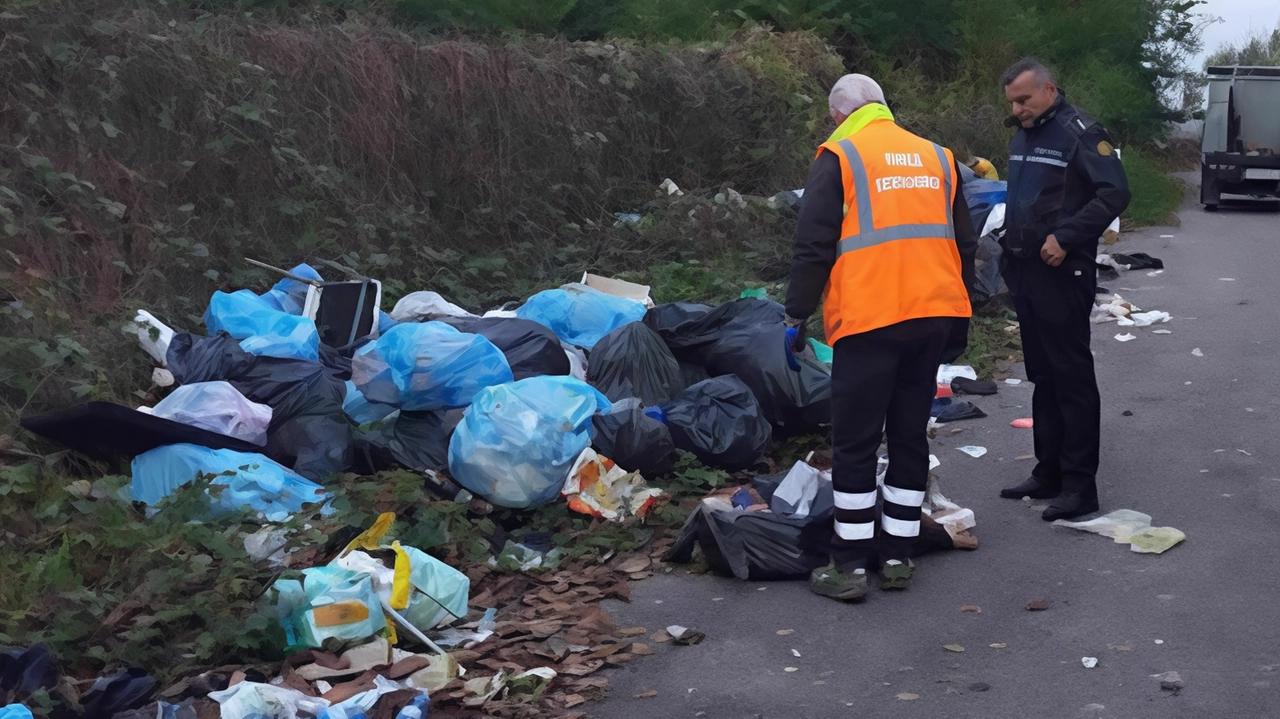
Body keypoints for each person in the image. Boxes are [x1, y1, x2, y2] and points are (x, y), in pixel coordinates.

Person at [783, 74, 976, 602]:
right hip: (932, 317)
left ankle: (847, 565)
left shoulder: (840, 155)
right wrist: (963, 314)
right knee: (909, 434)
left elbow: (813, 245)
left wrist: (795, 315)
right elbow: (965, 241)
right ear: (884, 107)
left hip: (870, 321)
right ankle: (897, 555)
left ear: (838, 115)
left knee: (856, 441)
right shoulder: (937, 157)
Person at [995, 59, 1130, 521]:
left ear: (1049, 89)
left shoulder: (1081, 133)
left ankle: (1079, 486)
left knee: (1071, 379)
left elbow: (1114, 193)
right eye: (1012, 100)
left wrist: (1066, 237)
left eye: (1024, 99)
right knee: (1042, 376)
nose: (1017, 108)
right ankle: (1047, 471)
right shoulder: (1024, 133)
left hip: (1063, 271)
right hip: (1025, 271)